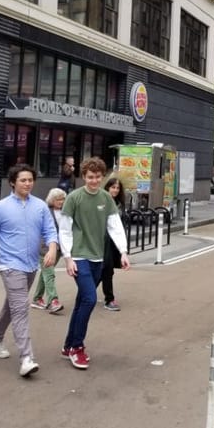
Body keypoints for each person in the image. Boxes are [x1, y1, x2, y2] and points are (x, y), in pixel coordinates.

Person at [0, 164, 58, 378]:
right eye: (23, 180)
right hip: (10, 265)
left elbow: (50, 230)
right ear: (13, 182)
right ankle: (27, 358)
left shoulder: (40, 206)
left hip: (31, 265)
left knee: (13, 305)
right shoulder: (0, 208)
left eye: (30, 180)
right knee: (21, 308)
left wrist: (52, 248)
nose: (27, 184)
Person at [59, 157, 130, 369]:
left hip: (98, 257)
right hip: (80, 256)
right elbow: (64, 229)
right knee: (89, 299)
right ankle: (77, 347)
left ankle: (68, 345)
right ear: (83, 177)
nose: (94, 181)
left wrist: (123, 252)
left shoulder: (106, 198)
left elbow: (115, 225)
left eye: (98, 177)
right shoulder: (73, 198)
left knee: (82, 301)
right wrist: (68, 258)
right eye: (90, 177)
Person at [30, 189, 66, 313]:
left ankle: (37, 298)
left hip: (59, 248)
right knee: (49, 274)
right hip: (45, 248)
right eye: (58, 199)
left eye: (62, 199)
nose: (61, 202)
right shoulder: (45, 211)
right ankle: (53, 301)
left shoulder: (64, 212)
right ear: (52, 200)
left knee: (45, 273)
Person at [99, 176, 127, 311]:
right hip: (101, 240)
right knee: (106, 268)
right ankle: (109, 299)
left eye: (117, 188)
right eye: (113, 187)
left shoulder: (118, 203)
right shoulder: (101, 201)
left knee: (106, 269)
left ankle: (88, 294)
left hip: (113, 241)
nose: (115, 190)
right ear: (107, 187)